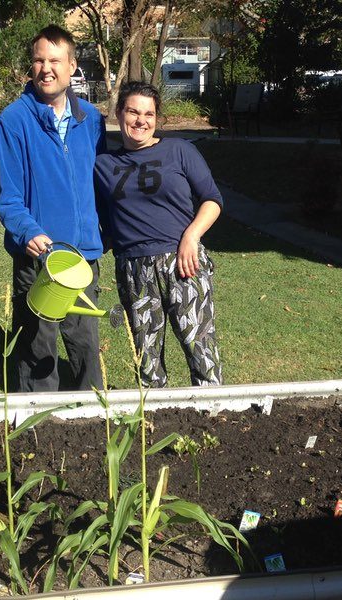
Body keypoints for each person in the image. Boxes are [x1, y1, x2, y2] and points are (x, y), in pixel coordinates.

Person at [0, 25, 106, 392]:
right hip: (39, 258)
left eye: (55, 60)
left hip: (82, 257)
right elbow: (8, 197)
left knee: (86, 346)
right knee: (38, 350)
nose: (46, 68)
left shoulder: (91, 119)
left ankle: (94, 417)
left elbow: (102, 182)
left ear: (72, 66)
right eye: (39, 60)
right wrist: (28, 231)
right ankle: (37, 431)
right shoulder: (13, 122)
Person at [94, 81, 223, 387]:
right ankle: (152, 426)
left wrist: (192, 236)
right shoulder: (102, 165)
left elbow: (212, 200)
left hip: (183, 262)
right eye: (133, 111)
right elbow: (103, 221)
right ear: (118, 113)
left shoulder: (179, 150)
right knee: (146, 359)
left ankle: (214, 413)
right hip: (133, 268)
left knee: (200, 347)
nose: (141, 120)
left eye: (149, 114)